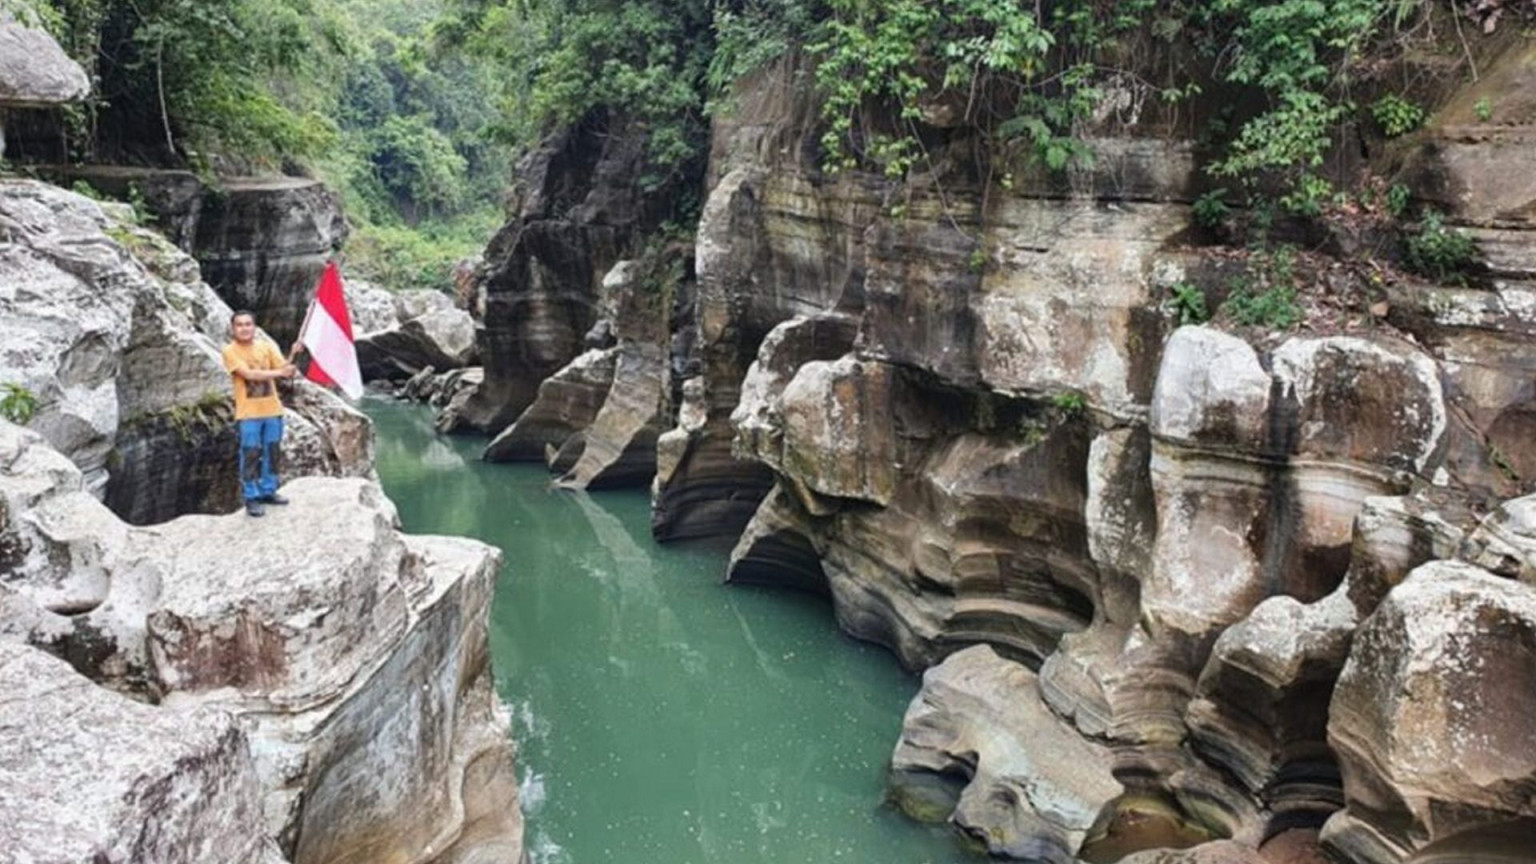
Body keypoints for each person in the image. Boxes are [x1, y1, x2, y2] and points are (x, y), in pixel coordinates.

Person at [222, 310, 298, 517]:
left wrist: (292, 354)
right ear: (233, 328)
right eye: (240, 325)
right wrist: (280, 372)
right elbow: (248, 374)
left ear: (254, 327)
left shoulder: (266, 347)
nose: (244, 328)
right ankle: (251, 496)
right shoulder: (230, 351)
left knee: (272, 452)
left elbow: (284, 370)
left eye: (248, 324)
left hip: (272, 410)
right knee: (250, 454)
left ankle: (268, 490)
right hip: (248, 414)